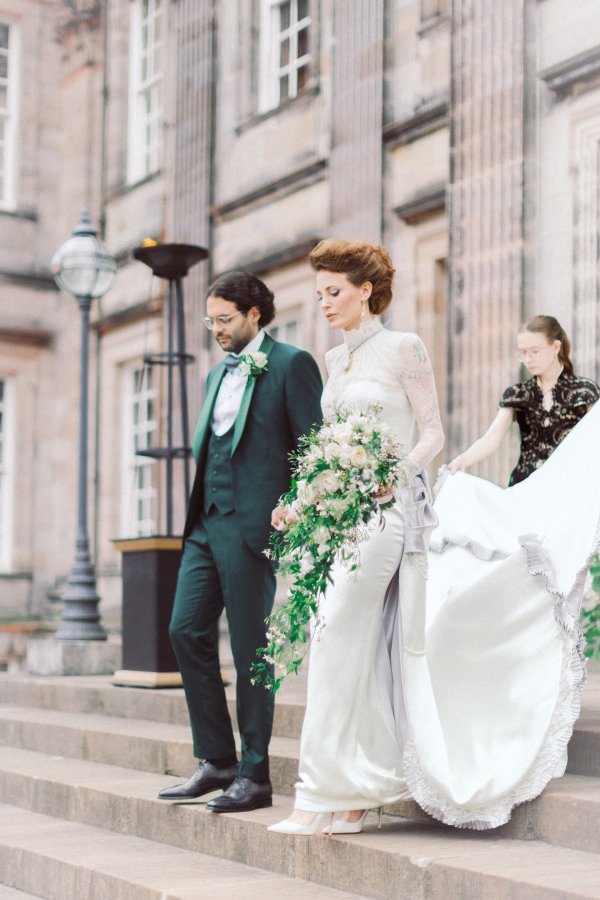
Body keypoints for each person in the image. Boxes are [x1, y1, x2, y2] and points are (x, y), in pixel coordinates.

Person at [269, 238, 445, 835]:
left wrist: (388, 478)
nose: (324, 303)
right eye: (319, 293)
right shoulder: (332, 359)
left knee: (335, 642)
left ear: (366, 290)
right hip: (335, 521)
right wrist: (296, 500)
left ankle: (313, 799)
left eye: (334, 291)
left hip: (383, 518)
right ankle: (352, 797)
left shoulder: (404, 346)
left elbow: (433, 434)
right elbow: (325, 450)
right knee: (349, 650)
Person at [158, 271, 323, 813]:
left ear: (255, 314)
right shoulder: (212, 377)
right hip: (206, 524)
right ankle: (217, 760)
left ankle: (255, 774)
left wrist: (291, 510)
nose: (216, 330)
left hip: (255, 528)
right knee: (184, 629)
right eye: (211, 321)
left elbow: (312, 451)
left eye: (224, 319)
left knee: (252, 650)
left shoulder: (292, 364)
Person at [449, 315, 600, 484]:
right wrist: (461, 461)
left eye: (535, 351)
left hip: (570, 486)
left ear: (556, 347)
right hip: (525, 486)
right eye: (523, 353)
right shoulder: (517, 393)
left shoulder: (585, 391)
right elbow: (491, 438)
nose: (528, 359)